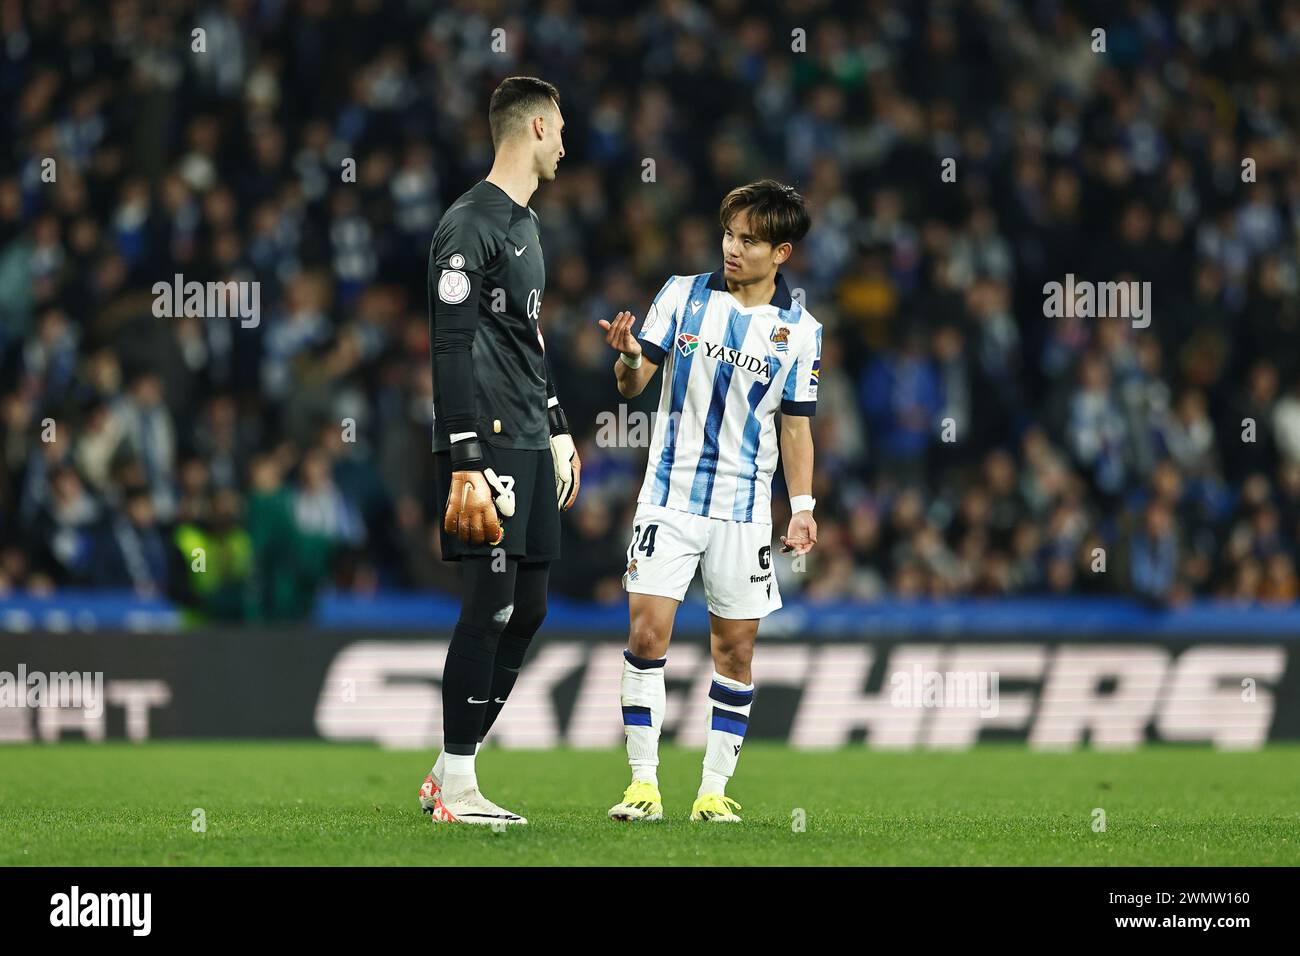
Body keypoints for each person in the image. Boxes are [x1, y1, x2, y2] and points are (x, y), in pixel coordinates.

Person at [597, 180, 819, 822]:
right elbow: (632, 384)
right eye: (728, 234)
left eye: (748, 240)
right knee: (646, 632)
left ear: (781, 253)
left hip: (744, 510)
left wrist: (801, 505)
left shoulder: (800, 332)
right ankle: (643, 786)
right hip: (668, 497)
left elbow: (797, 426)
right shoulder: (680, 295)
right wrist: (632, 356)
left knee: (736, 650)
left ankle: (713, 791)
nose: (732, 247)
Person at [418, 77, 579, 826]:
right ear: (539, 127)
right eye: (561, 131)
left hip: (529, 440)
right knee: (489, 605)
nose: (566, 146)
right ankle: (457, 787)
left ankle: (451, 767)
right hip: (486, 444)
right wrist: (463, 457)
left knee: (532, 606)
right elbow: (449, 344)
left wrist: (557, 424)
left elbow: (527, 340)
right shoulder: (469, 223)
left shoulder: (527, 226)